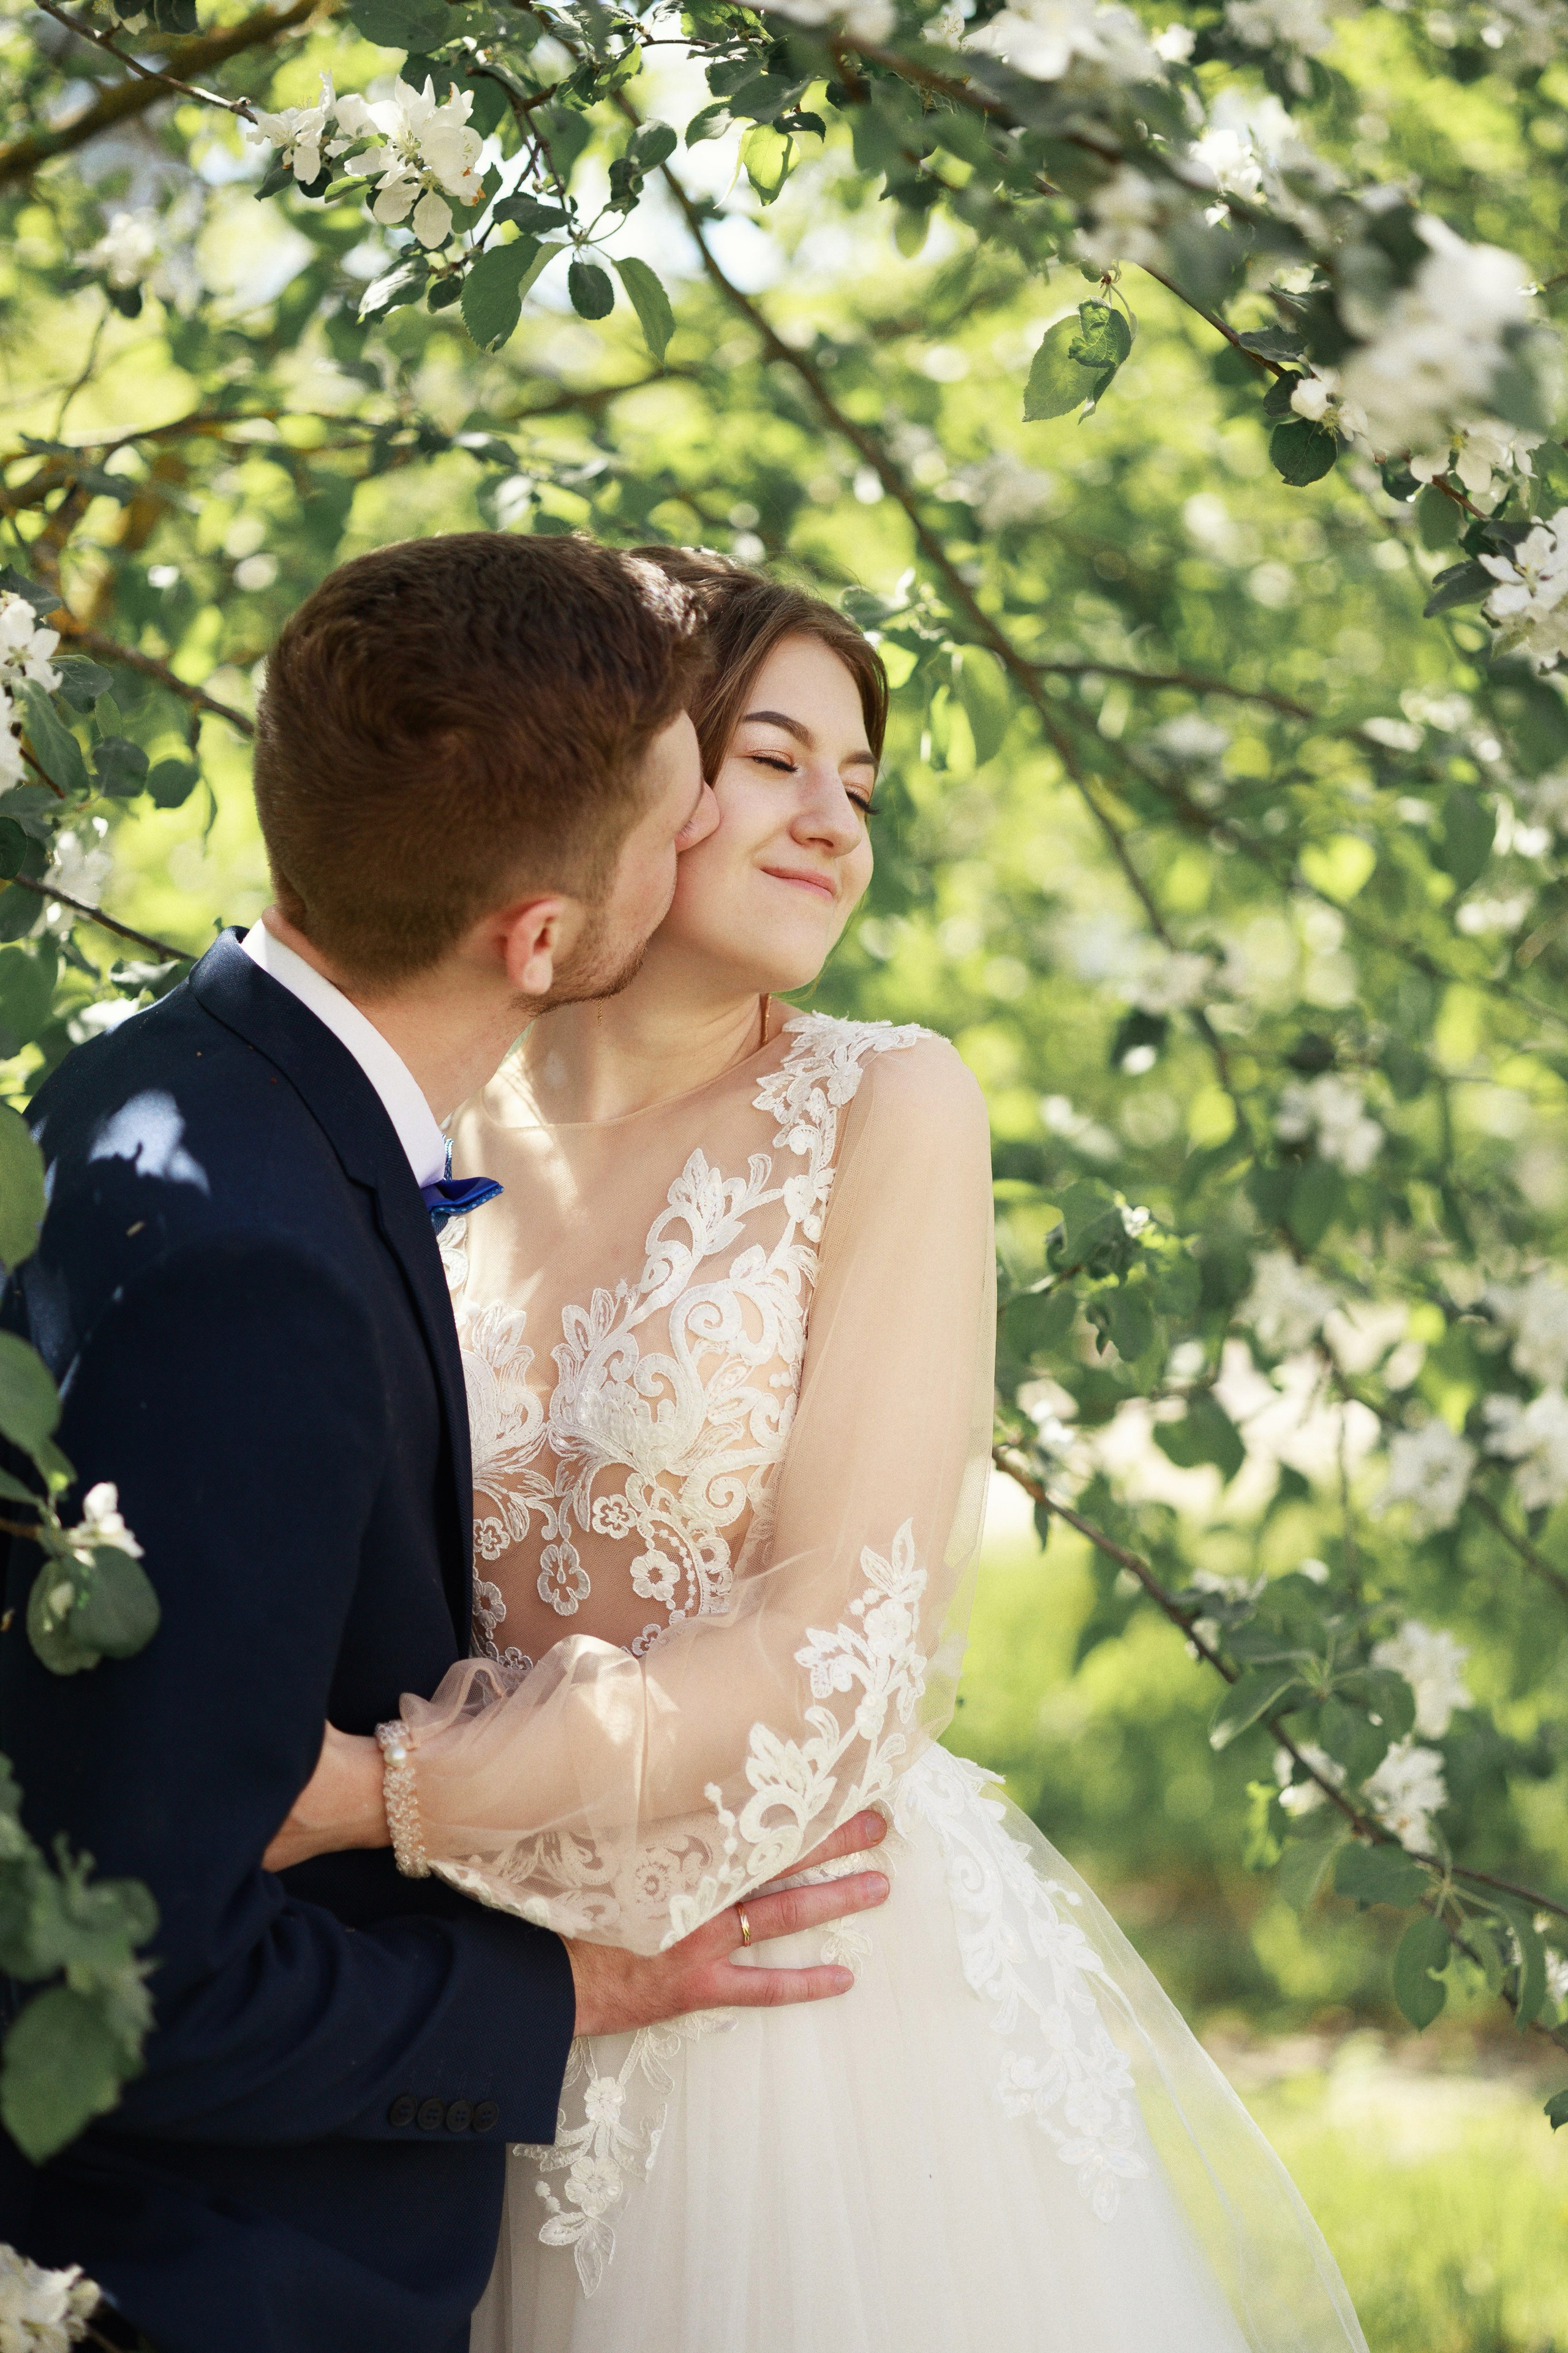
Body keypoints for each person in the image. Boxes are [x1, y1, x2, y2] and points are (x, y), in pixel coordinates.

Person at [274, 550, 1371, 2353]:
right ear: (637, 780)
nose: (836, 824)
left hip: (785, 2006)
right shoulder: (430, 1114)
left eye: (861, 785)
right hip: (459, 1996)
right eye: (776, 759)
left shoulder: (888, 1104)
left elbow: (840, 1654)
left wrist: (372, 1792)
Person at [0, 534, 891, 2353]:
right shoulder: (261, 1265)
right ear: (545, 932)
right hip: (223, 2274)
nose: (748, 823)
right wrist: (569, 1990)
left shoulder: (142, 1080)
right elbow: (138, 1971)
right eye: (686, 803)